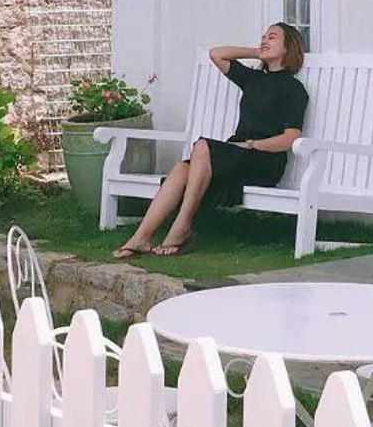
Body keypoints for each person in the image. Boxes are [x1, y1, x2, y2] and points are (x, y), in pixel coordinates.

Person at [114, 23, 308, 258]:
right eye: (263, 37)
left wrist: (251, 144)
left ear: (288, 47)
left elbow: (291, 138)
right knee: (180, 169)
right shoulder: (253, 79)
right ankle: (141, 238)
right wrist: (258, 53)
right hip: (236, 155)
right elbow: (216, 54)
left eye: (272, 37)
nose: (264, 40)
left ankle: (182, 225)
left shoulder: (293, 89)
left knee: (202, 146)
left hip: (264, 160)